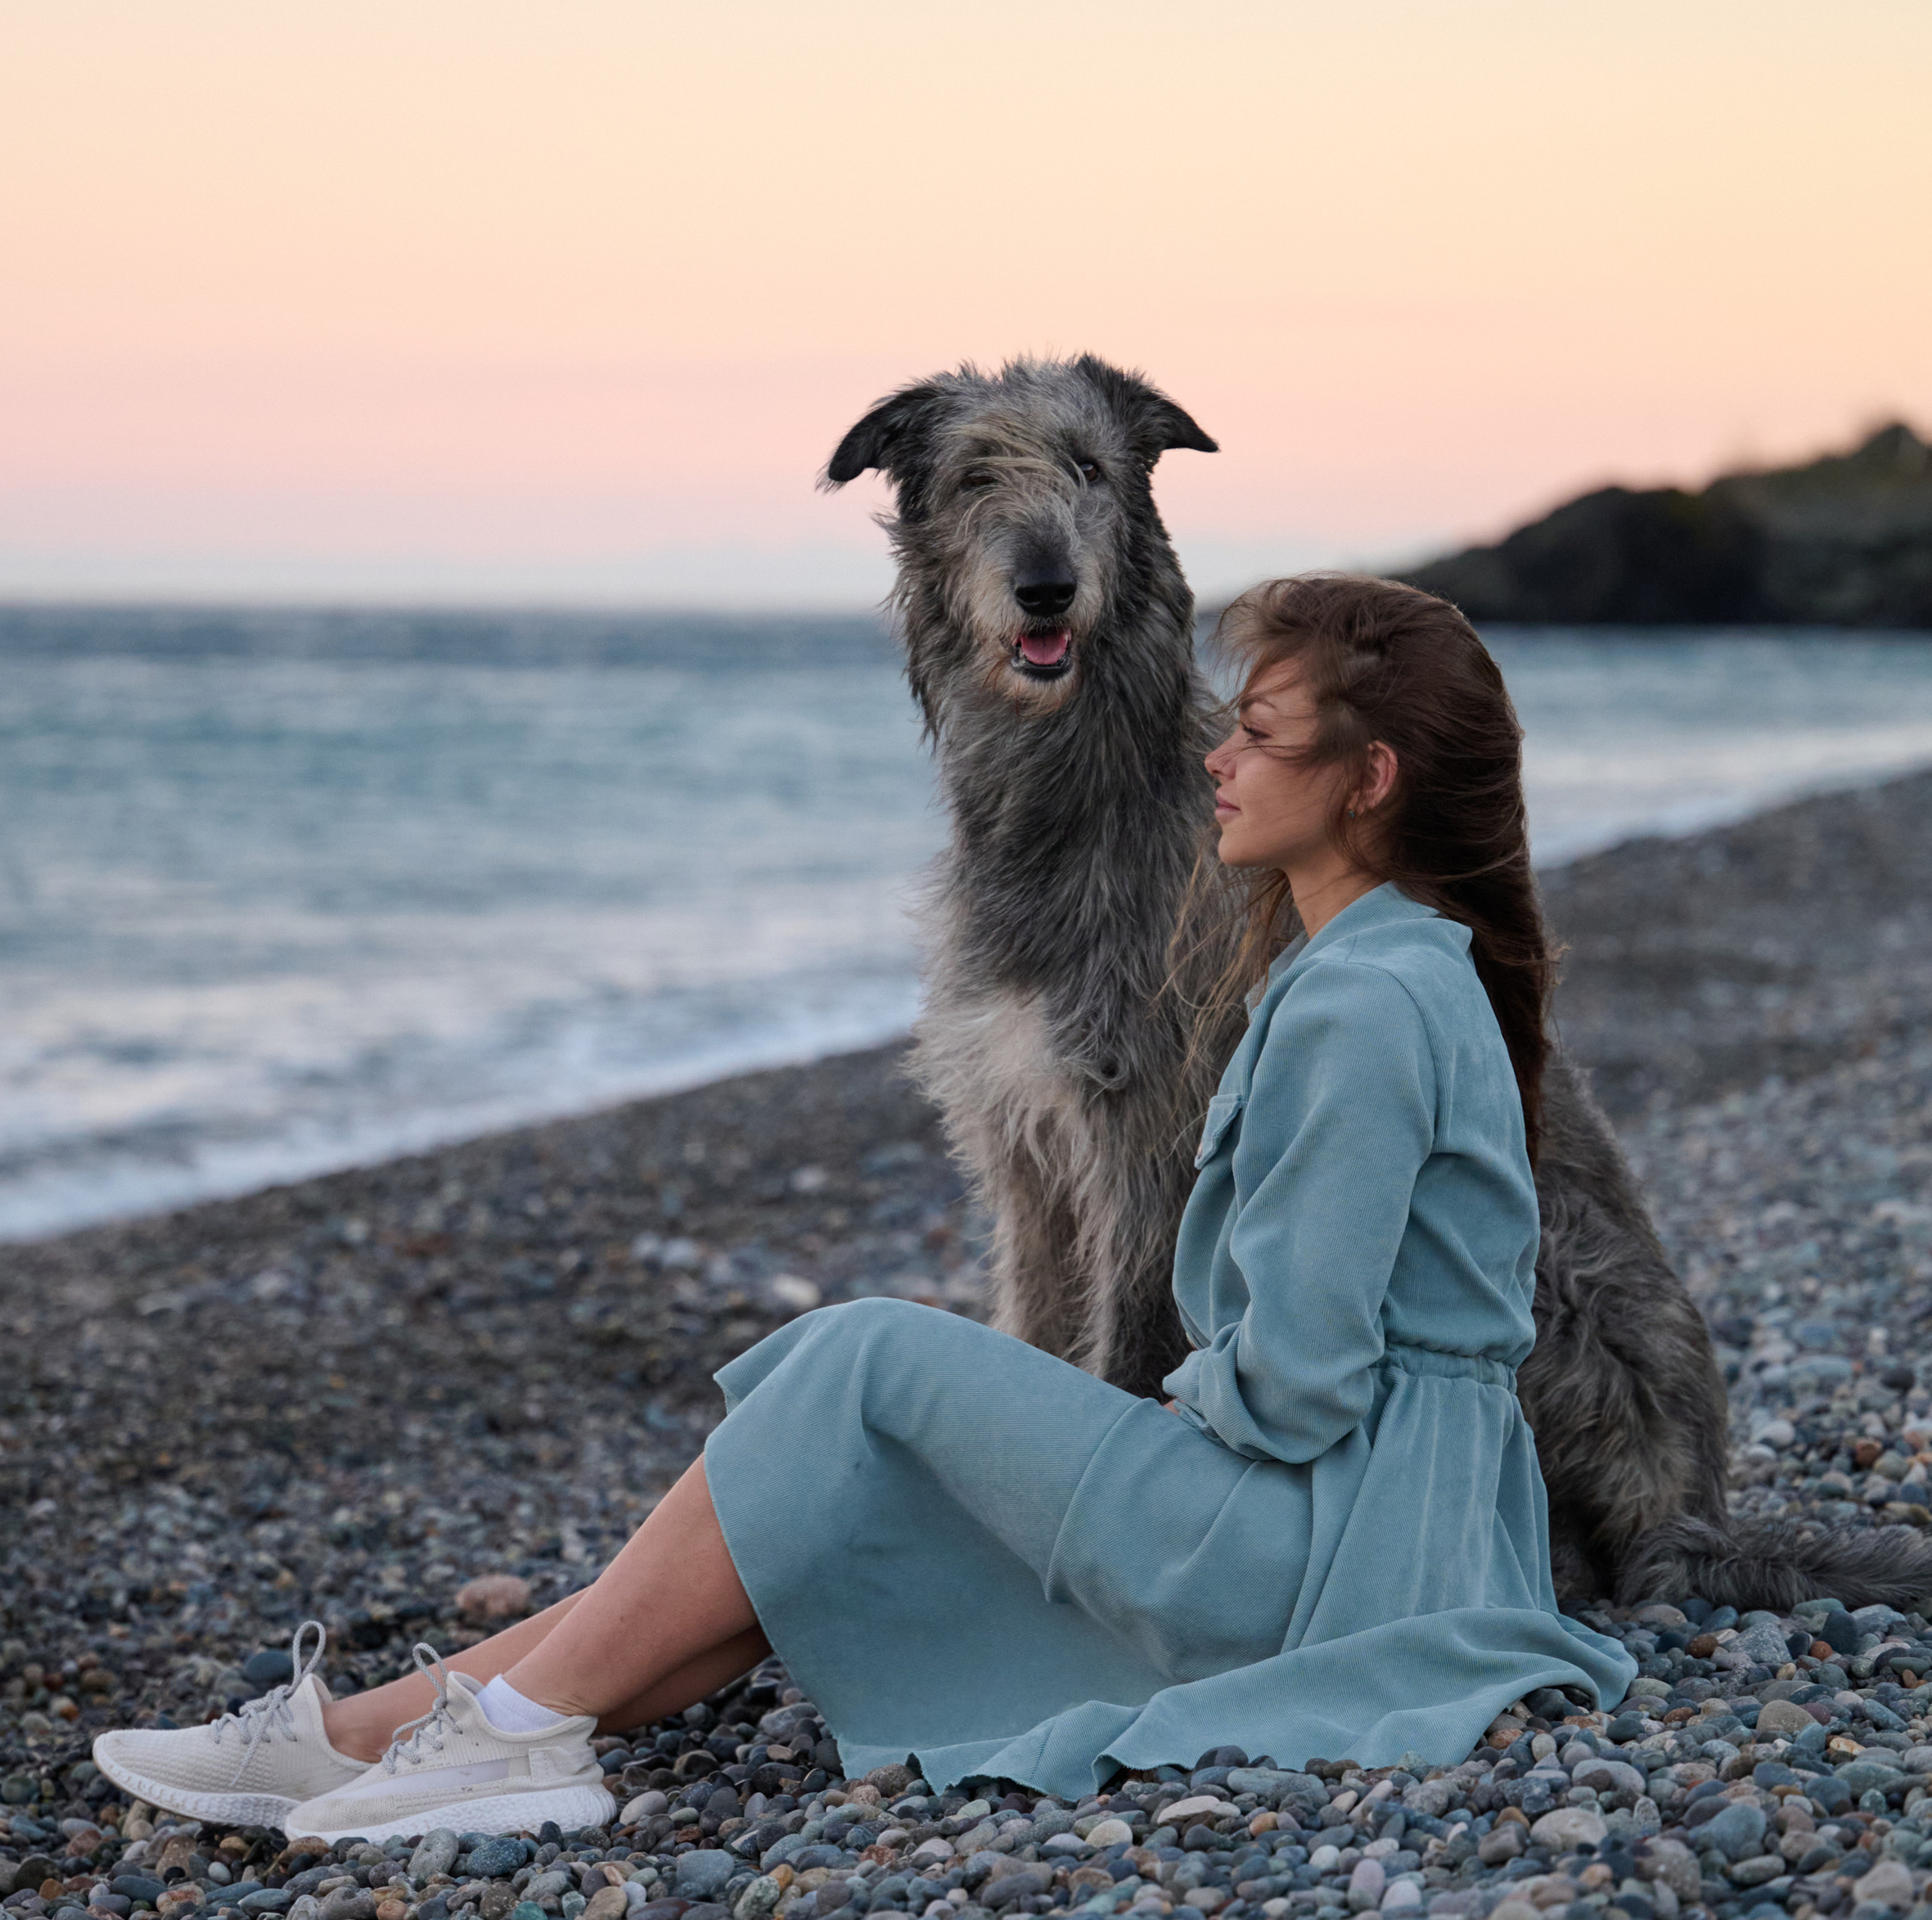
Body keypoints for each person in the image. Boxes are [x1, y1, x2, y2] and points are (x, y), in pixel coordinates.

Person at [94, 574, 1632, 1843]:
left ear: (1368, 783)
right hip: (1401, 1530)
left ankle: (495, 1740)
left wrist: (1157, 1419)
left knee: (859, 1357)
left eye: (1264, 733)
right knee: (827, 1490)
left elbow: (1294, 1384)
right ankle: (384, 1737)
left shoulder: (1364, 1003)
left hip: (1323, 1553)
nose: (1217, 756)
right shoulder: (1397, 972)